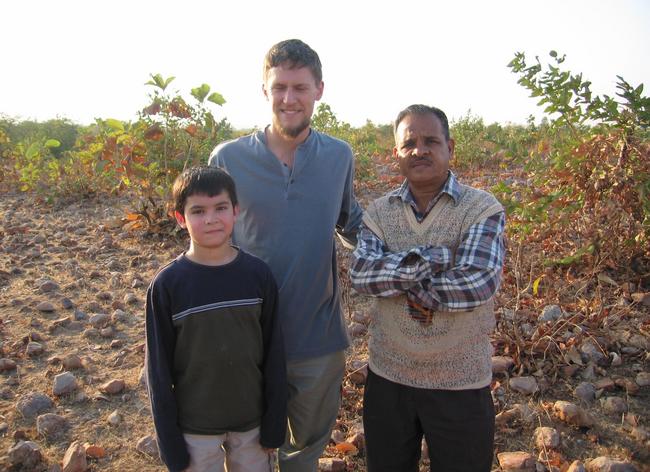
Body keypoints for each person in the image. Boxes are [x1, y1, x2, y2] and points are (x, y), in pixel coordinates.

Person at [208, 39, 363, 471]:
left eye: (300, 87)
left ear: (319, 90)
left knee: (305, 451)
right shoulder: (228, 159)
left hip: (318, 335)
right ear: (264, 91)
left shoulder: (338, 156)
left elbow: (350, 223)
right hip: (245, 337)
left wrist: (408, 250)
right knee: (246, 451)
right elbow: (208, 239)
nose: (289, 99)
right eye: (279, 88)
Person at [350, 104, 505, 472]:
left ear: (450, 147)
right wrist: (434, 258)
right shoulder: (379, 212)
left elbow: (477, 282)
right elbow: (361, 274)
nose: (420, 150)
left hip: (460, 382)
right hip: (389, 378)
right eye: (410, 143)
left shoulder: (481, 208)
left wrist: (399, 275)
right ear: (397, 154)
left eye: (431, 141)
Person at [145, 166, 286, 472]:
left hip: (252, 425)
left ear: (236, 211)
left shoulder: (258, 275)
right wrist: (171, 446)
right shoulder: (168, 285)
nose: (210, 219)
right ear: (180, 218)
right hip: (194, 429)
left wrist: (274, 424)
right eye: (198, 211)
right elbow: (158, 372)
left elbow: (275, 354)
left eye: (220, 208)